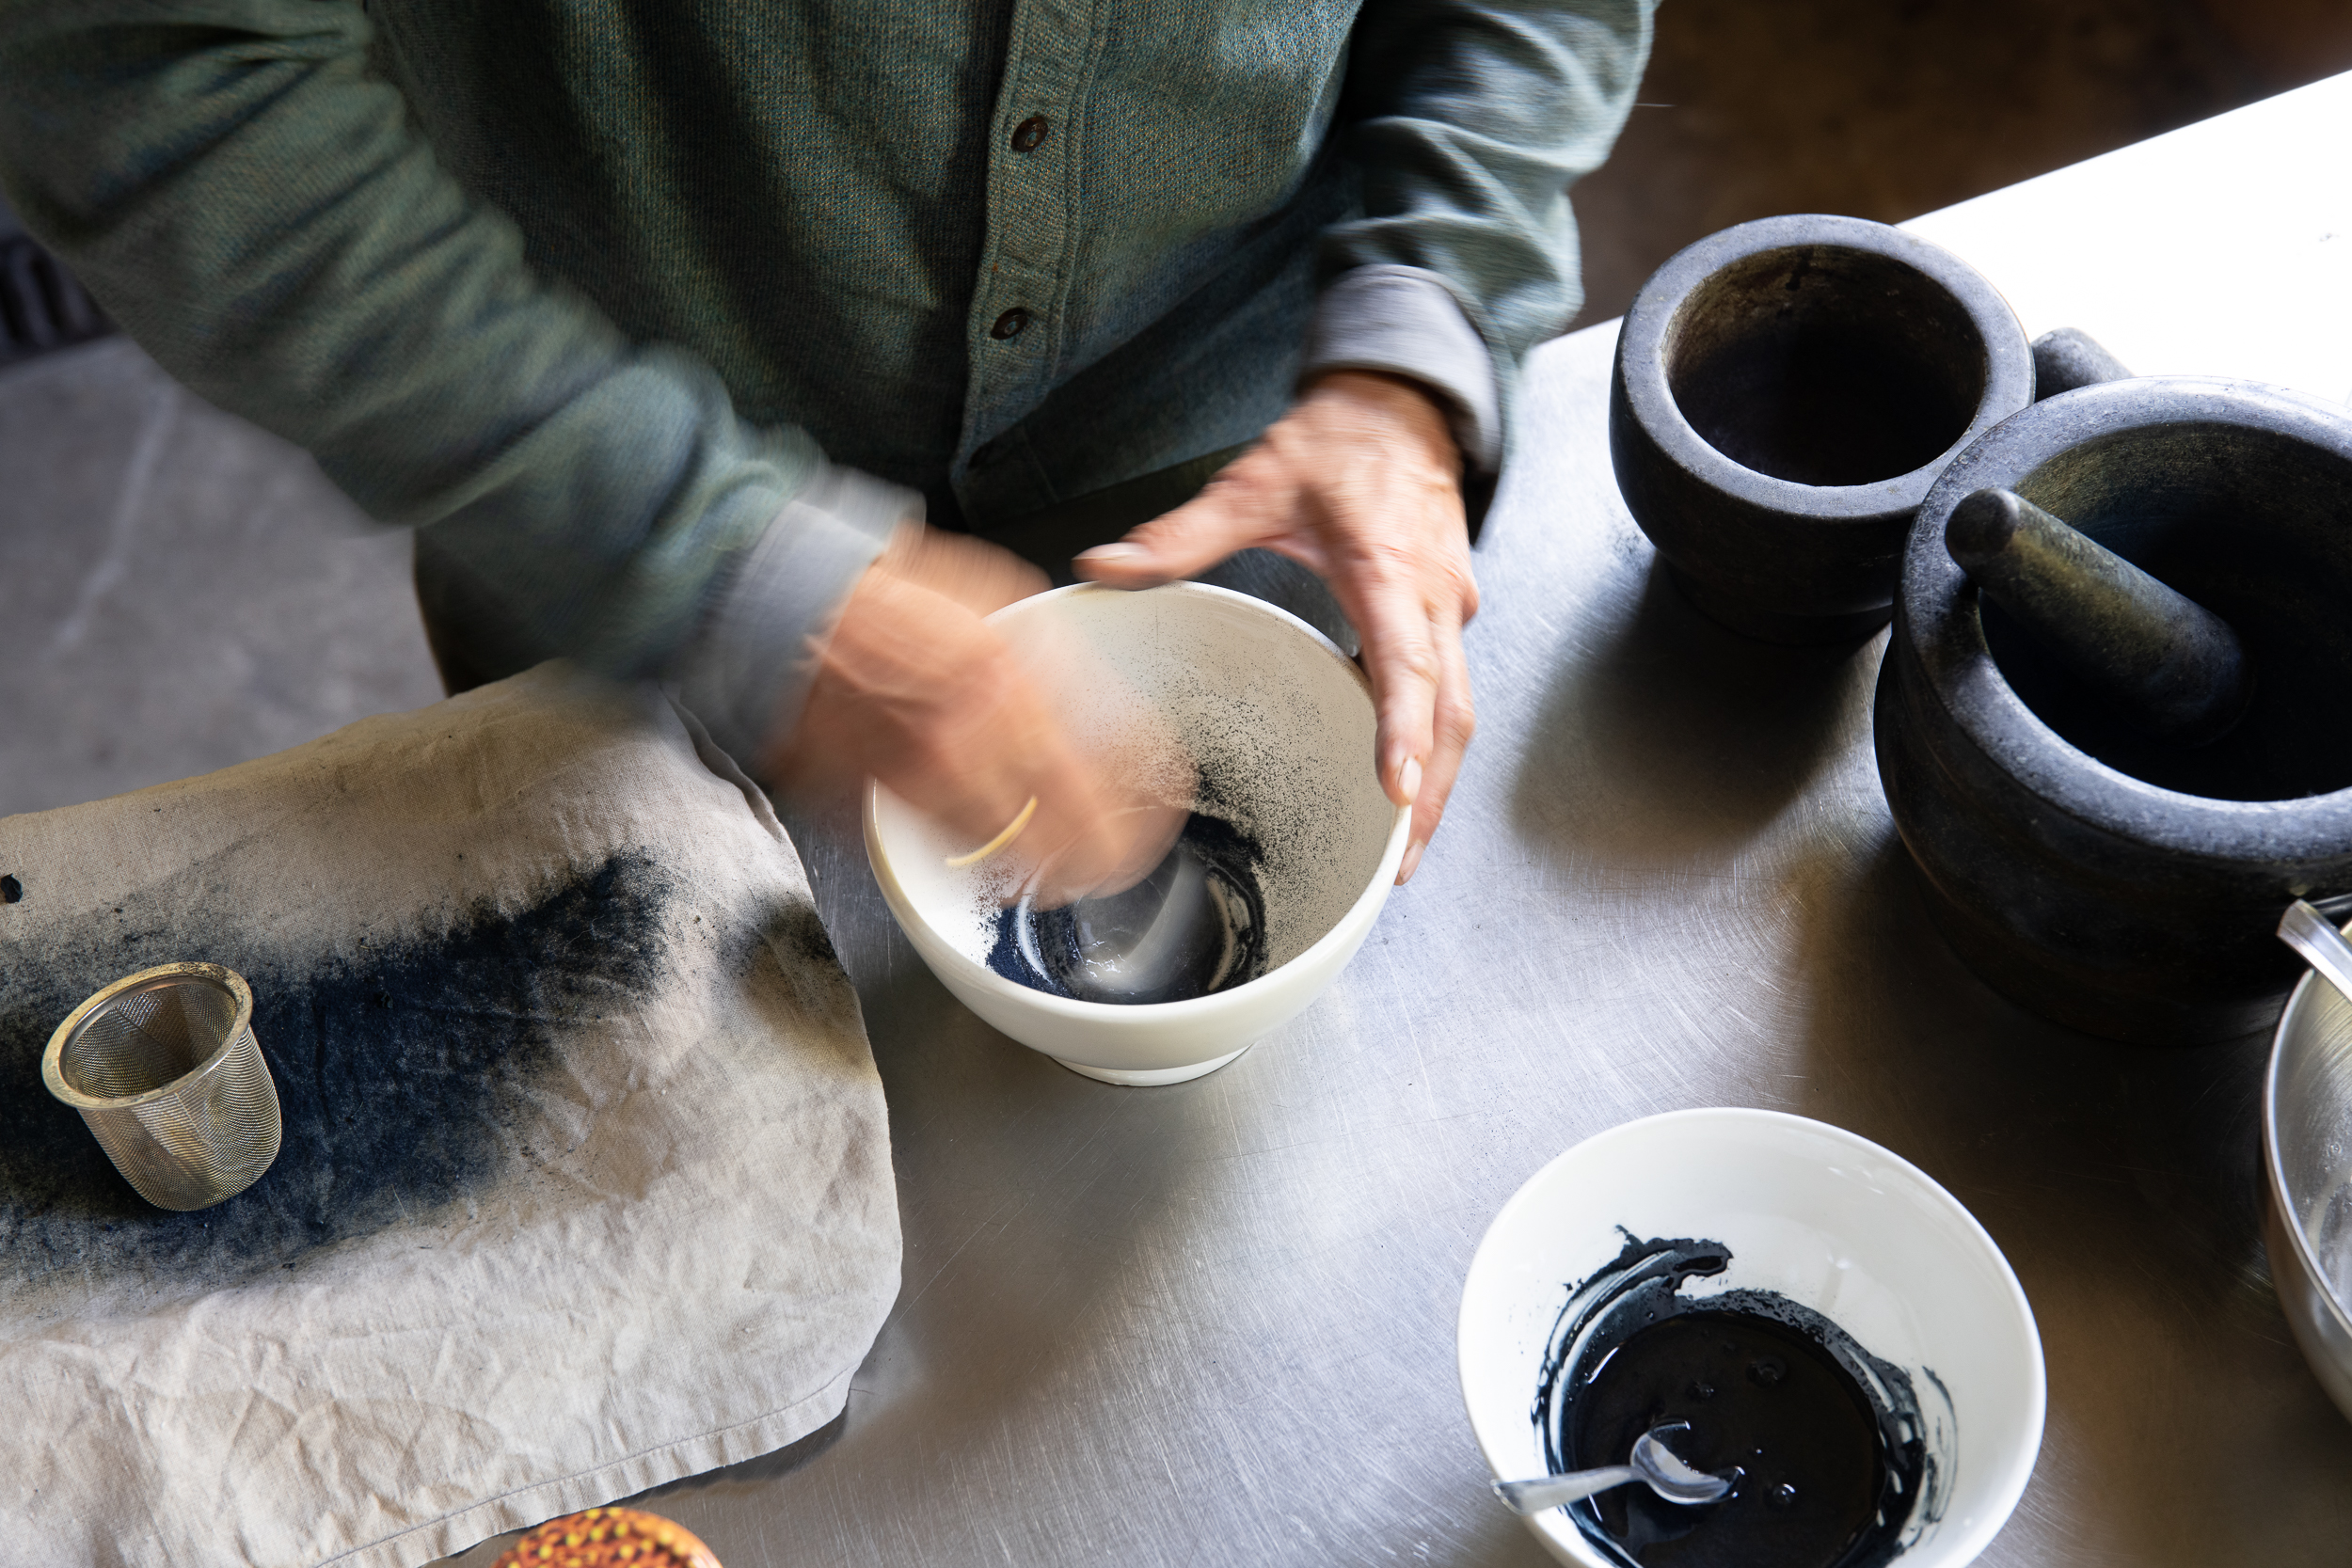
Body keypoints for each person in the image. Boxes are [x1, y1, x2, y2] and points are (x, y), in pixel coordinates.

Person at [0, 0, 1650, 891]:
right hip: (591, 468)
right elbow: (148, 66)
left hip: (1246, 453)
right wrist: (707, 556)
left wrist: (1417, 335)